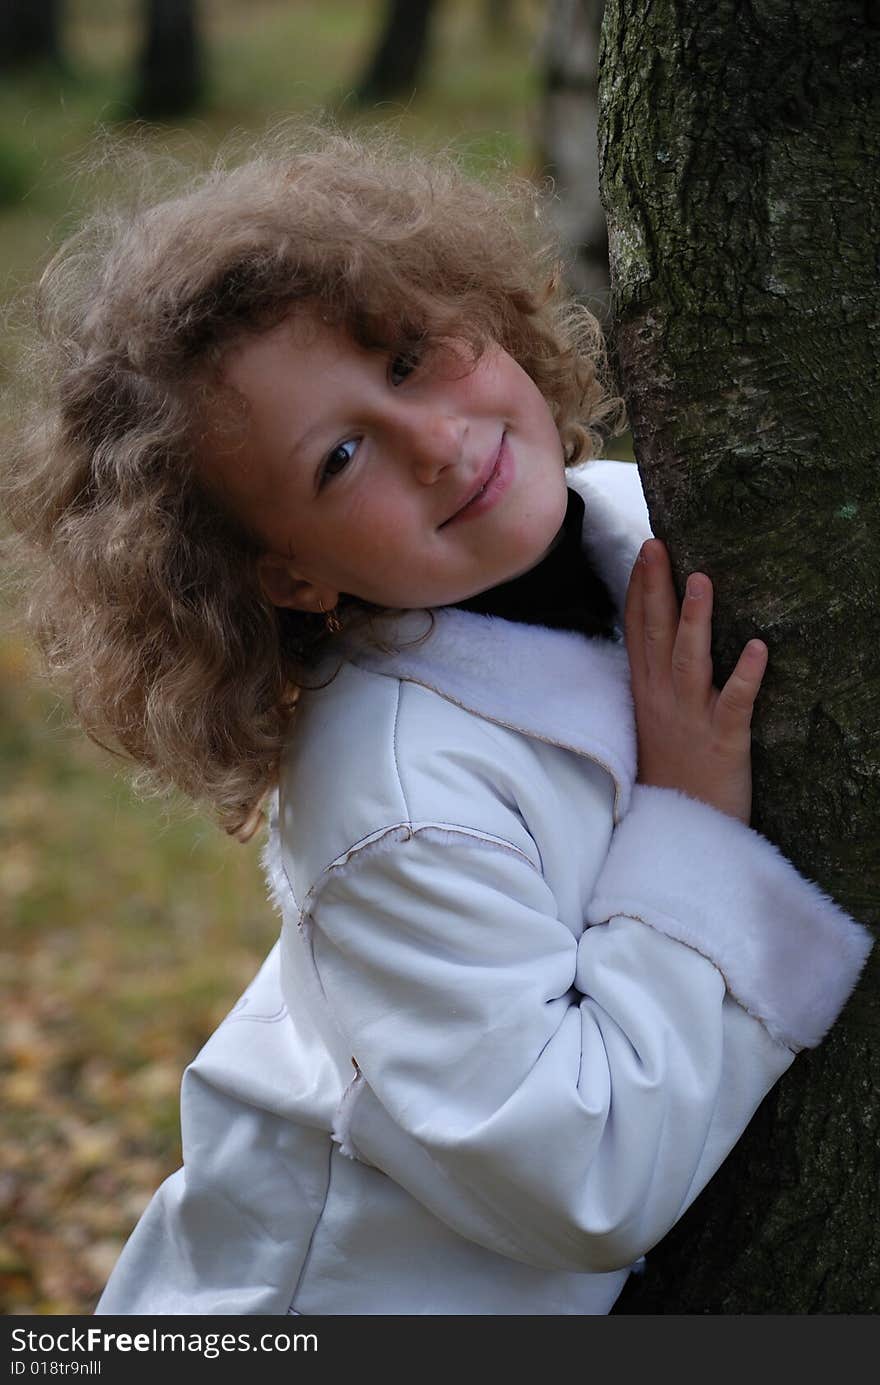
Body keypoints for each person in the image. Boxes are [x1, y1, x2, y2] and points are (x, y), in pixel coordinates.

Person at [4, 127, 871, 1316]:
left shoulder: (645, 522)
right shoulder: (390, 797)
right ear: (287, 577)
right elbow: (579, 1177)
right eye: (342, 456)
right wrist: (686, 820)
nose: (433, 442)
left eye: (410, 359)